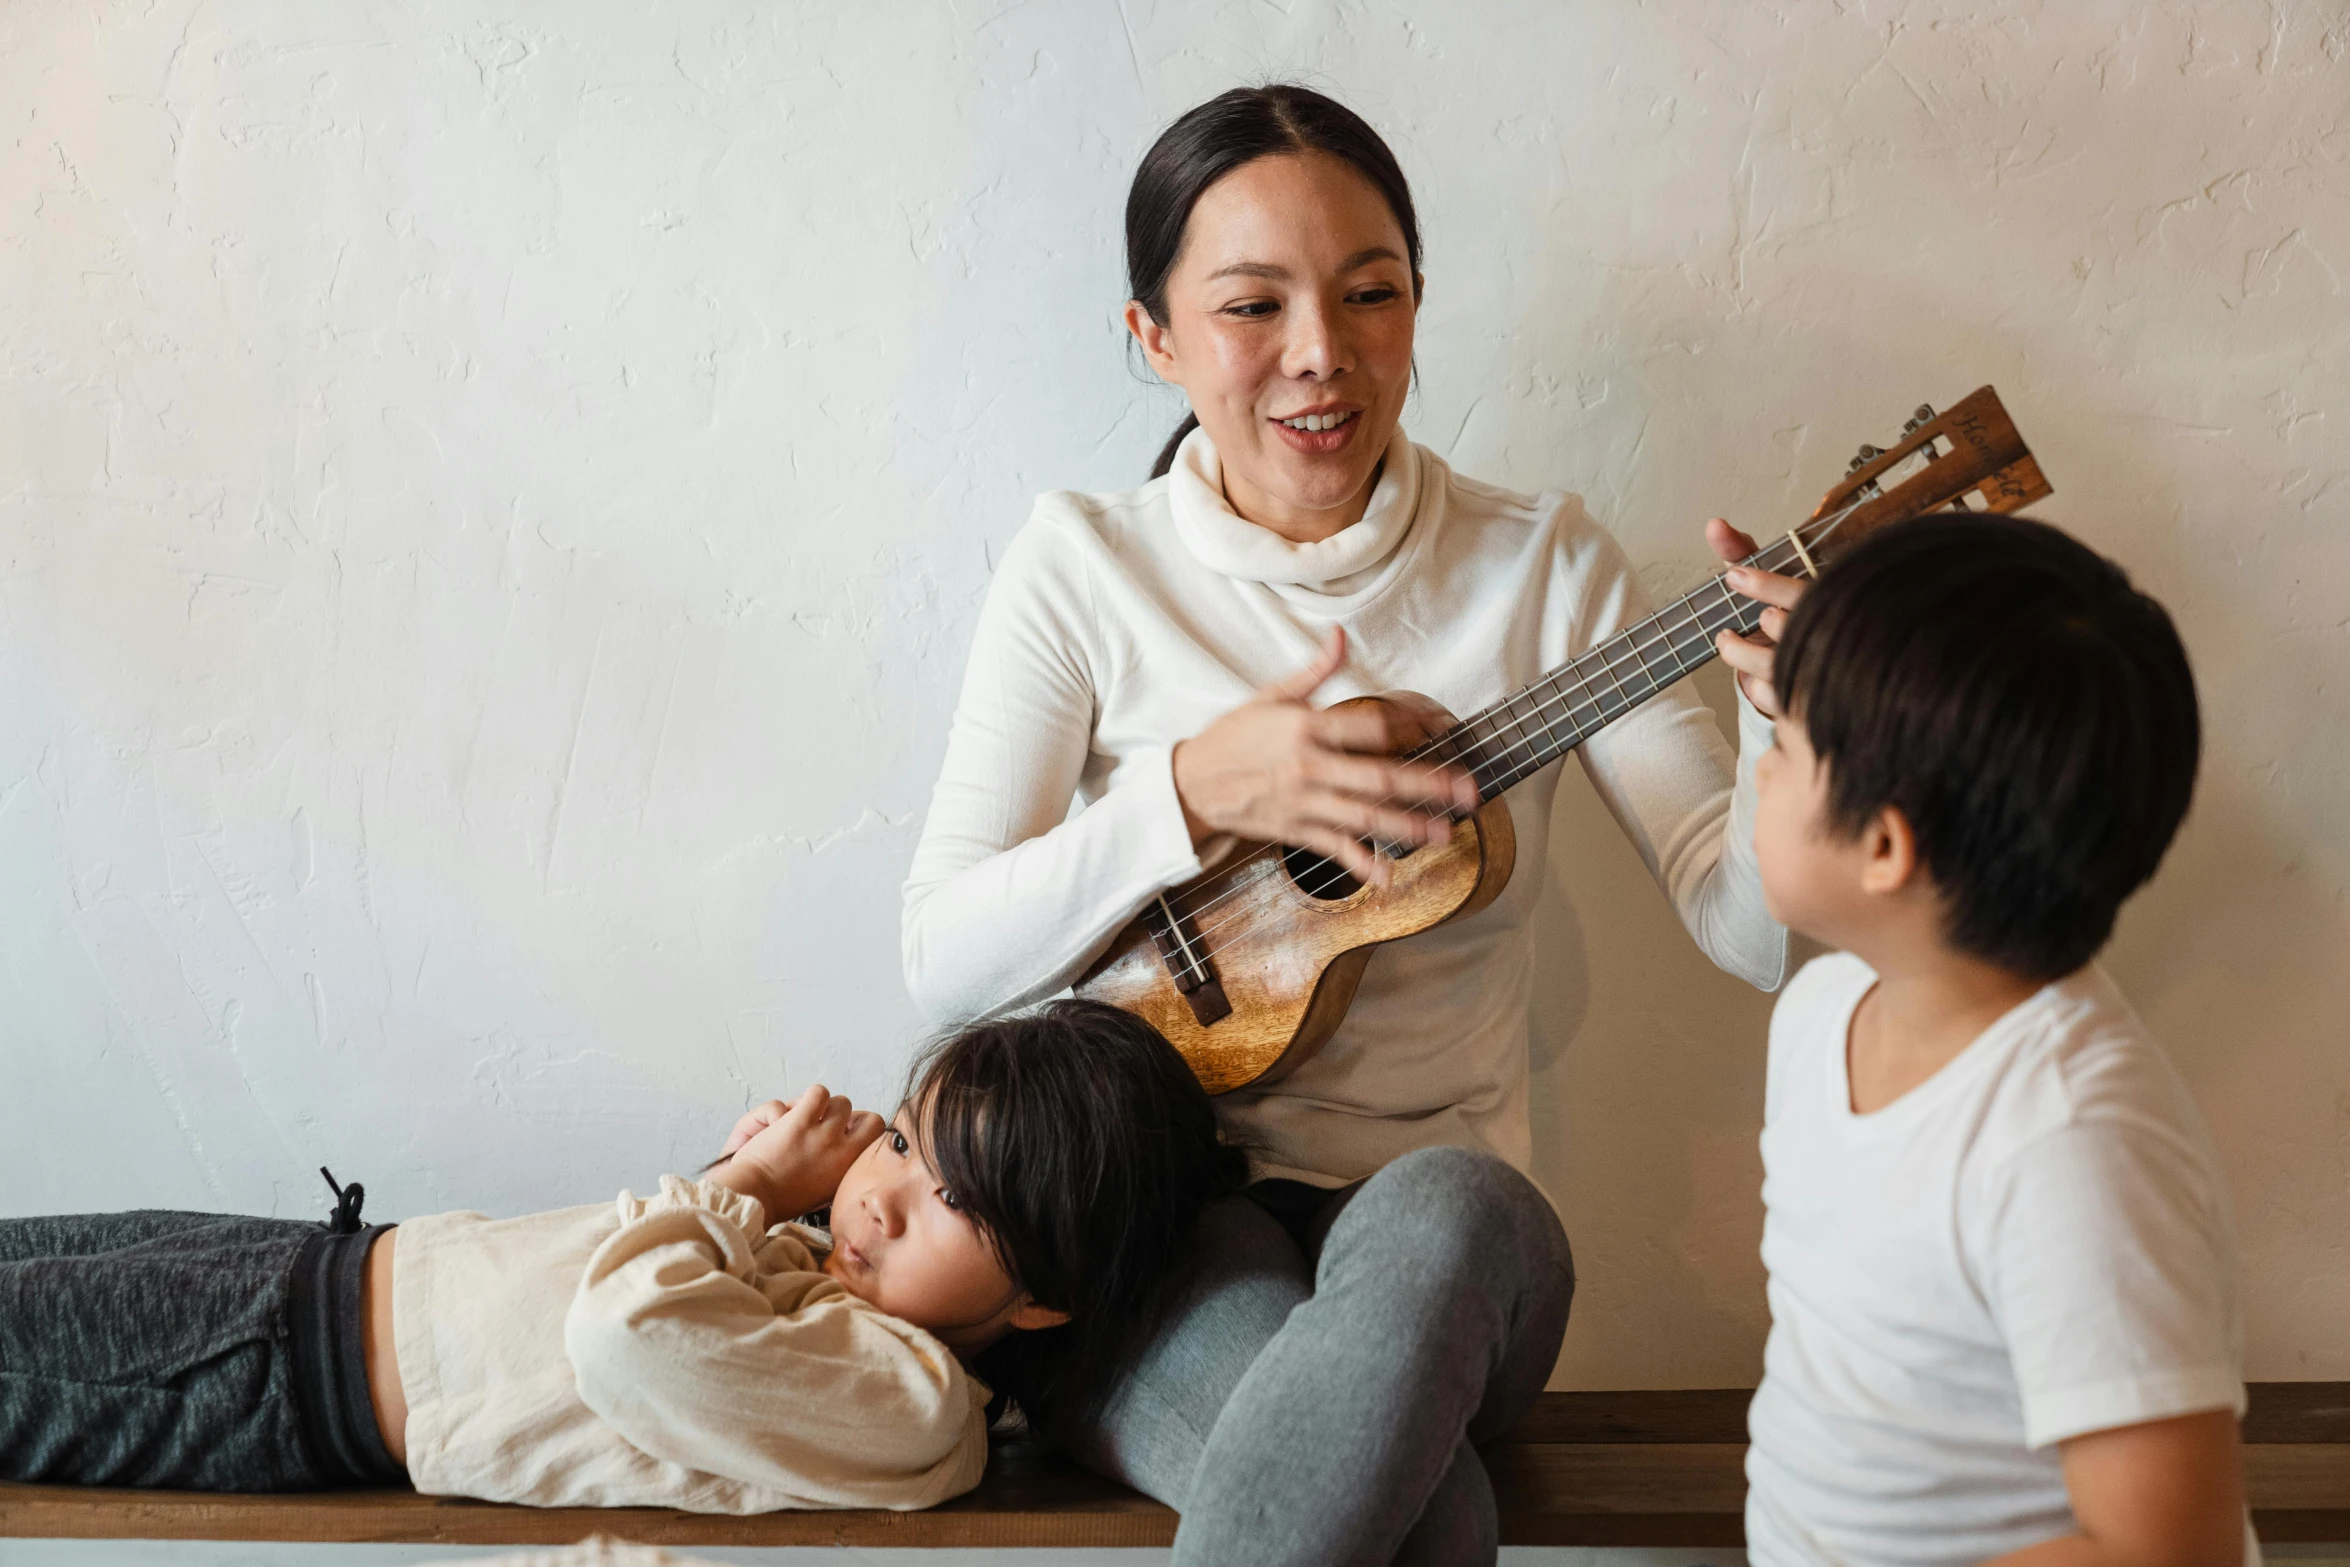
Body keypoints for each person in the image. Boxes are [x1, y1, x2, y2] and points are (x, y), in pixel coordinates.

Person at [902, 85, 1807, 1563]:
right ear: (1154, 338)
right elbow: (941, 956)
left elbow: (1751, 930)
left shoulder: (1542, 568)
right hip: (1164, 1216)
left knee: (1445, 1206)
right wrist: (1193, 792)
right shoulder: (1081, 568)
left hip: (1453, 1232)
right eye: (1250, 305)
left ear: (1414, 303)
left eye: (1368, 293)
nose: (1320, 354)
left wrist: (1785, 722)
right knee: (1424, 1514)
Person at [0, 1001, 1245, 1513]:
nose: (883, 1196)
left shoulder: (914, 1404)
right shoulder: (851, 1299)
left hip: (284, 1378)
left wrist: (751, 1187)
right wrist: (746, 1191)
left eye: (955, 1196)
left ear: (1045, 1302)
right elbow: (661, 1283)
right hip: (325, 1273)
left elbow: (627, 1332)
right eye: (907, 1139)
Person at [1746, 513, 2253, 1567]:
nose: (1758, 771)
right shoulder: (1818, 1016)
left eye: (1782, 745)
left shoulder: (2067, 1142)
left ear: (1883, 845)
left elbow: (2169, 1548)